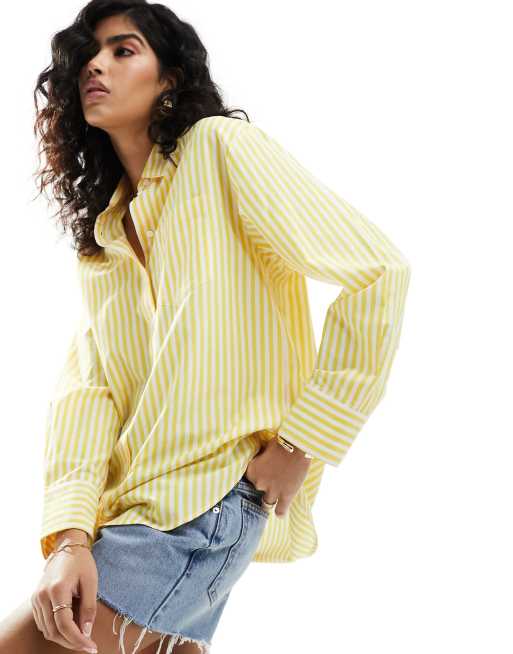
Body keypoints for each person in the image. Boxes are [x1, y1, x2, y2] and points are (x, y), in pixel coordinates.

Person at [0, 1, 412, 653]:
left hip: (204, 502)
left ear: (169, 78)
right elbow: (88, 394)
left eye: (123, 50)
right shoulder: (105, 239)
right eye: (87, 55)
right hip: (133, 510)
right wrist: (70, 537)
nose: (95, 66)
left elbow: (378, 271)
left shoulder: (220, 150)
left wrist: (301, 445)